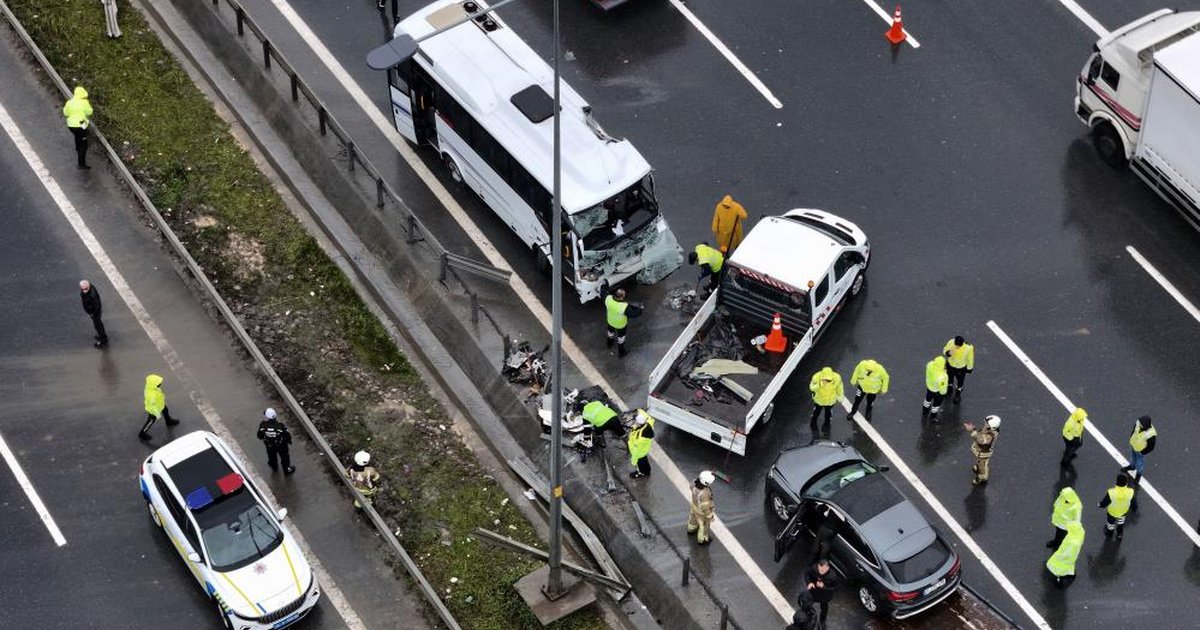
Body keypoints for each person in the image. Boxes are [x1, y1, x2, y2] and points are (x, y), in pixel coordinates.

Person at [1046, 520, 1085, 588]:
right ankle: (1070, 574)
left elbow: (1067, 553)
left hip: (1065, 558)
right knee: (1069, 566)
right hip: (1072, 557)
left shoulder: (1073, 542)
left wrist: (1060, 556)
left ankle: (1061, 583)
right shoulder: (1080, 532)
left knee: (1061, 569)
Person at [139, 373, 178, 440]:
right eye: (158, 383)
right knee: (151, 420)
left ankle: (169, 421)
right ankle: (142, 433)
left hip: (160, 404)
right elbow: (152, 406)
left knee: (165, 411)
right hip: (154, 409)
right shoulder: (151, 395)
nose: (160, 384)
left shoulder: (153, 387)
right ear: (153, 384)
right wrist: (157, 414)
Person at [963, 415, 1000, 485]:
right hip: (981, 452)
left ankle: (982, 477)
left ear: (991, 426)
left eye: (987, 423)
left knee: (982, 465)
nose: (985, 424)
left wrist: (972, 431)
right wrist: (974, 428)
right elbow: (981, 434)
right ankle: (978, 467)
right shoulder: (990, 429)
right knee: (980, 462)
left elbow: (981, 440)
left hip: (984, 453)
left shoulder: (990, 436)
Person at [604, 288, 641, 358]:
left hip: (610, 321)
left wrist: (604, 285)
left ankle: (609, 344)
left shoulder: (608, 299)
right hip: (621, 325)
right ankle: (621, 352)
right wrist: (640, 309)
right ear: (621, 297)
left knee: (610, 333)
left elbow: (603, 292)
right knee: (621, 338)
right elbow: (633, 314)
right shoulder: (624, 307)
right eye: (623, 296)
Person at [256, 408, 295, 474]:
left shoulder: (263, 425)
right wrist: (289, 441)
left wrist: (263, 437)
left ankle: (274, 466)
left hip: (269, 445)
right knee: (284, 457)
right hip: (281, 445)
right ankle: (286, 470)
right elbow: (286, 434)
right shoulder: (280, 426)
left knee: (271, 456)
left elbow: (259, 435)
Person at [62, 86, 93, 169]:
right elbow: (89, 112)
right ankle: (81, 164)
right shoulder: (84, 102)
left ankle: (77, 147)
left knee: (77, 136)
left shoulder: (69, 102)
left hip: (71, 125)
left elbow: (65, 113)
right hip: (81, 125)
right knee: (84, 145)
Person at [803, 558, 840, 627]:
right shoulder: (814, 568)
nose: (820, 572)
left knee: (824, 609)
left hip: (825, 595)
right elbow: (807, 574)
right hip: (814, 592)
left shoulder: (833, 576)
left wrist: (824, 587)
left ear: (827, 568)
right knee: (807, 603)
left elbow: (836, 588)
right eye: (819, 569)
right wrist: (809, 583)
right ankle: (806, 617)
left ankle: (822, 621)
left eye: (822, 570)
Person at [1098, 472, 1134, 541]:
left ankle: (1110, 533)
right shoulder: (1130, 492)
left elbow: (1105, 502)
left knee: (1110, 523)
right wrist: (1134, 508)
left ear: (1116, 482)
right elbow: (1133, 502)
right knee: (1121, 522)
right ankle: (1119, 534)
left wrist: (1100, 505)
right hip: (1123, 511)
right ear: (1126, 483)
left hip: (1112, 512)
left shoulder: (1111, 492)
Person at [942, 336, 975, 403]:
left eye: (959, 346)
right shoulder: (951, 342)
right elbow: (945, 349)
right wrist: (948, 353)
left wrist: (969, 368)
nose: (957, 347)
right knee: (949, 378)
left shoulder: (968, 348)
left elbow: (970, 358)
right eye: (956, 345)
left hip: (961, 368)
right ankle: (949, 388)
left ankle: (958, 393)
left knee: (960, 381)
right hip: (950, 365)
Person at [687, 470, 716, 545]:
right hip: (702, 513)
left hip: (695, 507)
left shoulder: (694, 483)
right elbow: (705, 508)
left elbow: (691, 486)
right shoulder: (704, 494)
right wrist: (710, 517)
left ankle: (691, 529)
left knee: (693, 519)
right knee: (703, 526)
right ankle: (702, 539)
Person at [627, 409, 655, 478]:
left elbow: (637, 450)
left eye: (636, 421)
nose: (635, 422)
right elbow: (647, 417)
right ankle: (647, 470)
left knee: (640, 464)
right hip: (643, 451)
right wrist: (639, 411)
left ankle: (641, 473)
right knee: (644, 461)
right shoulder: (647, 424)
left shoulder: (641, 437)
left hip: (639, 453)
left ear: (639, 423)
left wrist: (634, 460)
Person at [79, 279, 107, 348]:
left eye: (85, 289)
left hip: (95, 313)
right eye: (83, 289)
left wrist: (93, 313)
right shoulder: (87, 290)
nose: (84, 291)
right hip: (92, 312)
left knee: (98, 325)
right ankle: (102, 336)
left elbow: (97, 306)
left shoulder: (92, 294)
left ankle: (103, 339)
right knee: (97, 325)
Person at [923, 355, 949, 420]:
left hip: (929, 387)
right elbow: (943, 389)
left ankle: (925, 411)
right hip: (937, 392)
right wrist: (943, 393)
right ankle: (933, 416)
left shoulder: (930, 365)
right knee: (936, 405)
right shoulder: (942, 376)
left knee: (927, 400)